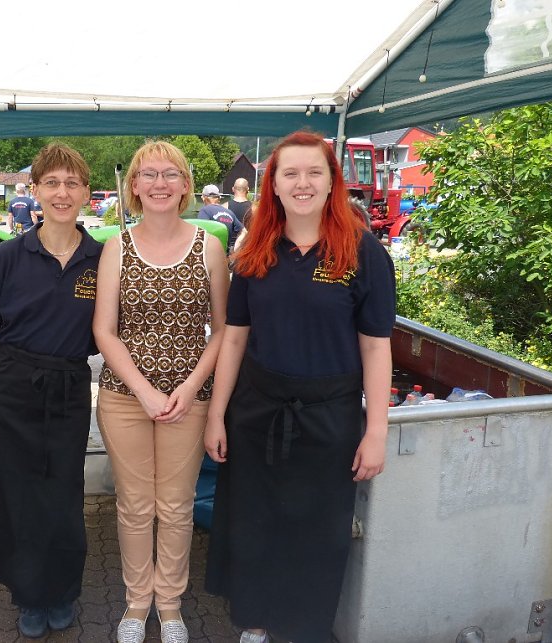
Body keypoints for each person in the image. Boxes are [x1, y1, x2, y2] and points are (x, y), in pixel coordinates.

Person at [204, 130, 396, 643]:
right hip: (257, 412)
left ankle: (303, 628)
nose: (302, 183)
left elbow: (376, 347)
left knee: (316, 531)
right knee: (254, 523)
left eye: (314, 172)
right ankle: (254, 623)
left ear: (332, 181)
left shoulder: (363, 252)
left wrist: (377, 430)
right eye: (290, 173)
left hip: (329, 418)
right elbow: (235, 338)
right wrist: (217, 415)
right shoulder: (254, 250)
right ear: (273, 184)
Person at [0, 143, 102, 639]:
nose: (62, 193)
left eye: (72, 183)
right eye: (52, 183)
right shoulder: (8, 256)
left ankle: (60, 591)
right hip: (11, 389)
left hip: (68, 389)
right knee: (16, 496)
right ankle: (28, 595)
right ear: (34, 190)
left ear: (86, 192)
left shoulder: (101, 260)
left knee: (61, 494)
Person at [93, 141, 229, 643]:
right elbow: (105, 330)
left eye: (170, 174)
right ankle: (137, 602)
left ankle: (169, 605)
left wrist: (190, 389)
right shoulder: (117, 247)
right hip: (125, 398)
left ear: (185, 185)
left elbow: (223, 330)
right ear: (134, 185)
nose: (159, 183)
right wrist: (145, 391)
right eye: (148, 174)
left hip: (189, 400)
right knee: (134, 506)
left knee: (175, 506)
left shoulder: (209, 246)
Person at [197, 184, 243, 252]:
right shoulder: (230, 213)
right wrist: (235, 249)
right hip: (225, 255)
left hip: (210, 254)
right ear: (219, 198)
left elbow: (200, 233)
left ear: (203, 198)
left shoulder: (205, 211)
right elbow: (244, 232)